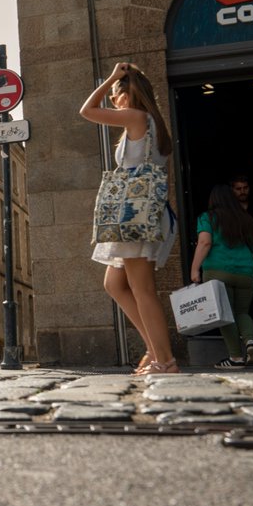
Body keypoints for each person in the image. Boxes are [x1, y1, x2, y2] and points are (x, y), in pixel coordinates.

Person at [80, 63, 179, 375]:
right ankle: (154, 349)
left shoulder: (137, 117)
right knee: (115, 283)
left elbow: (87, 110)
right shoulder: (152, 125)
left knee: (142, 288)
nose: (113, 99)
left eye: (115, 93)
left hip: (134, 215)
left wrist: (112, 76)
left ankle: (166, 361)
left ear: (127, 92)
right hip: (141, 213)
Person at [190, 185, 253, 369]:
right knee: (242, 312)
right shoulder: (247, 220)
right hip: (246, 272)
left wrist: (194, 269)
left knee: (225, 315)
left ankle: (236, 358)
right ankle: (250, 342)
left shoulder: (207, 217)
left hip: (218, 271)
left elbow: (205, 242)